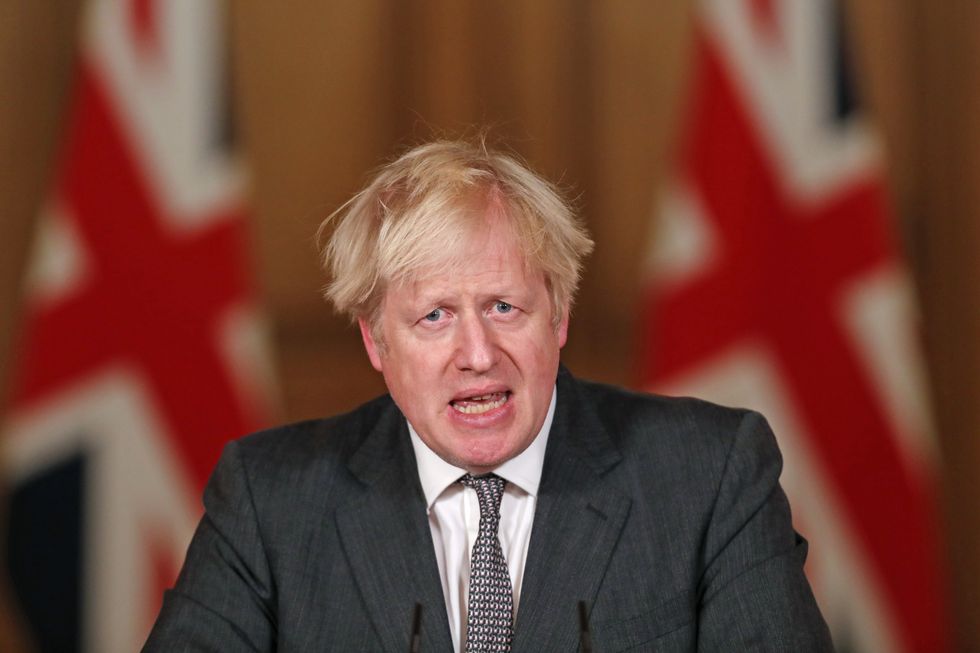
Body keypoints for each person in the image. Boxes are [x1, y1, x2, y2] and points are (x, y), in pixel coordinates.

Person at [144, 139, 833, 651]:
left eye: (504, 307)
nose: (477, 355)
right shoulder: (270, 501)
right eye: (434, 316)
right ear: (376, 342)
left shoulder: (710, 474)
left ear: (558, 316)